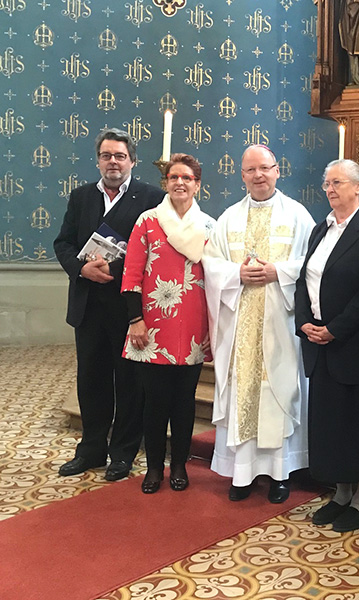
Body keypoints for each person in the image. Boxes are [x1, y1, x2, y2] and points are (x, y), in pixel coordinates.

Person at [203, 145, 315, 504]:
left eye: (264, 168)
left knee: (278, 392)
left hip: (279, 324)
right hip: (239, 326)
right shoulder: (228, 219)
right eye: (250, 170)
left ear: (277, 170)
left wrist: (276, 272)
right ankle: (243, 473)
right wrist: (236, 273)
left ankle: (280, 473)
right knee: (243, 392)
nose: (259, 176)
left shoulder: (297, 216)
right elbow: (211, 263)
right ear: (242, 175)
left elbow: (313, 263)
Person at [53, 128, 163, 481]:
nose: (112, 162)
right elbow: (63, 243)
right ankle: (91, 449)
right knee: (91, 381)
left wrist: (111, 269)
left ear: (132, 160)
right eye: (106, 155)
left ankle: (123, 453)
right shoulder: (81, 196)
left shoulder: (152, 198)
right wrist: (82, 268)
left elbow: (155, 251)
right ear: (98, 159)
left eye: (119, 156)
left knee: (129, 383)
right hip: (87, 306)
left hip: (128, 309)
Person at [296, 159, 359, 532]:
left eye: (337, 182)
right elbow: (304, 278)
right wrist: (304, 321)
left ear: (358, 187)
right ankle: (340, 494)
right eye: (326, 183)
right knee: (331, 423)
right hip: (321, 342)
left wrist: (336, 329)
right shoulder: (321, 229)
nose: (329, 189)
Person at [120, 153, 215, 494]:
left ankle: (179, 465)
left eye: (186, 178)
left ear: (197, 185)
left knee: (184, 402)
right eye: (174, 177)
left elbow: (217, 279)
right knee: (154, 401)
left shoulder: (209, 227)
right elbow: (131, 274)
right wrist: (135, 320)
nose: (179, 182)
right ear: (166, 183)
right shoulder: (147, 221)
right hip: (151, 329)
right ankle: (154, 468)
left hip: (191, 329)